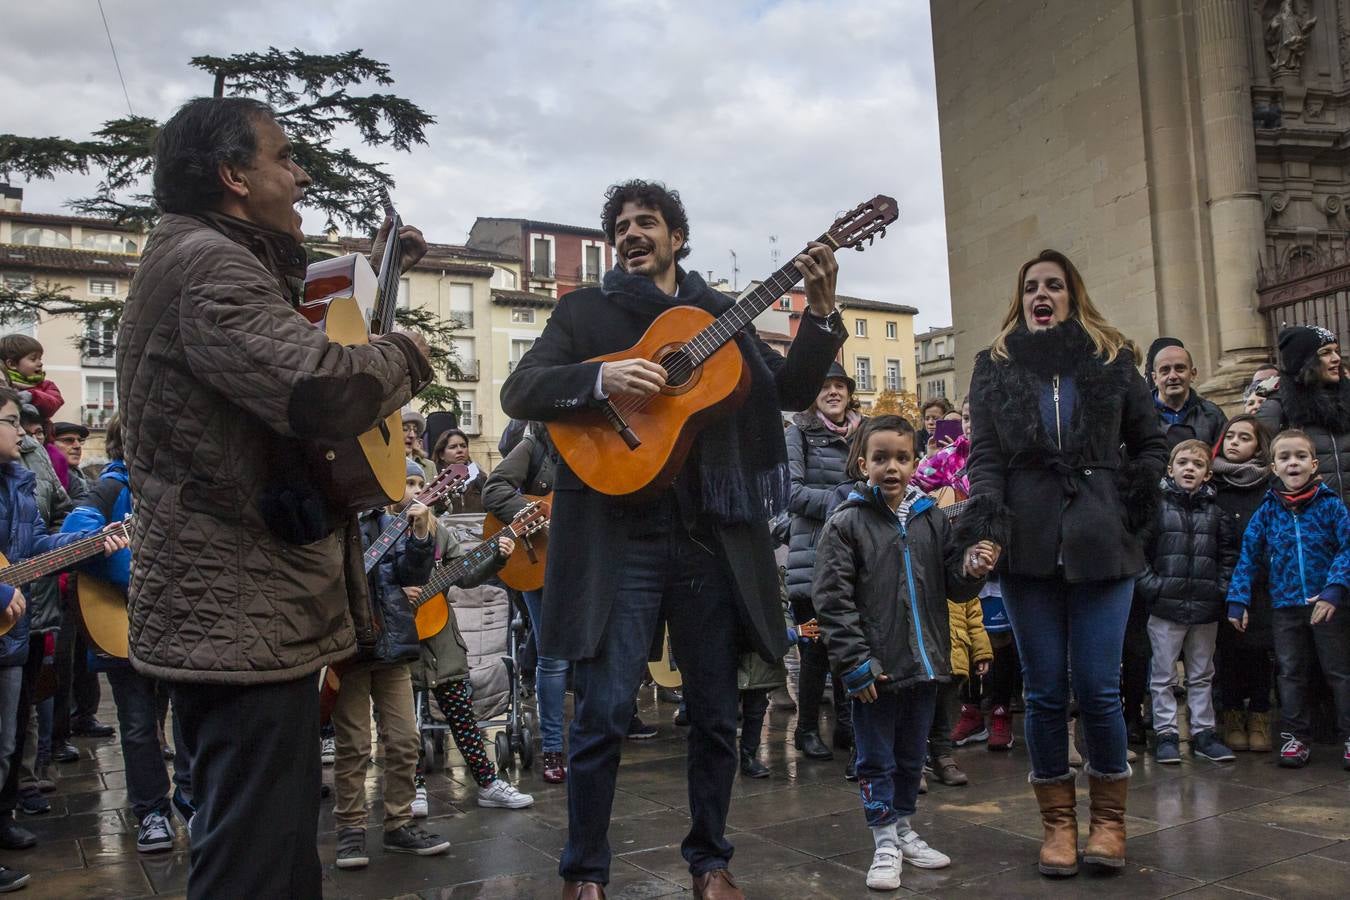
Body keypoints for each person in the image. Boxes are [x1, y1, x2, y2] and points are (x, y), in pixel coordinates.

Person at [116, 96, 433, 898]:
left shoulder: (208, 258)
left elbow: (289, 344)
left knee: (280, 844)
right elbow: (319, 387)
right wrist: (407, 355)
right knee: (253, 856)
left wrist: (366, 273)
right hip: (235, 607)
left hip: (242, 609)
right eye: (284, 158)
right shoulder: (207, 264)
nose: (298, 175)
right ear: (231, 175)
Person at [500, 179, 846, 900]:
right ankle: (585, 872)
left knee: (717, 713)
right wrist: (598, 376)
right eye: (620, 225)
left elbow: (786, 391)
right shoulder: (582, 312)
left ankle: (710, 861)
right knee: (600, 714)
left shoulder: (719, 313)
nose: (631, 233)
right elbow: (520, 390)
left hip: (708, 536)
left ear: (675, 237)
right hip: (613, 535)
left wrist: (821, 313)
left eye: (645, 222)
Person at [963, 249, 1168, 877]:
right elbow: (986, 459)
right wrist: (988, 525)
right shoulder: (994, 368)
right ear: (1020, 299)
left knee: (1101, 691)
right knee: (1045, 692)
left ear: (1073, 296)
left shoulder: (1114, 362)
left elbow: (1152, 442)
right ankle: (1057, 824)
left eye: (1053, 285)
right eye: (1031, 287)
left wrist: (1131, 501)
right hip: (1027, 548)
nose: (1040, 295)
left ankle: (1109, 821)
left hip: (1105, 546)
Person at [812, 415, 995, 891]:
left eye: (901, 457)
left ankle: (904, 828)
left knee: (913, 756)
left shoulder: (930, 516)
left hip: (926, 664)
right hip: (876, 668)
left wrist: (972, 567)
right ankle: (883, 839)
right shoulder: (847, 522)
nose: (891, 467)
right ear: (861, 462)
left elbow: (953, 585)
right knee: (876, 757)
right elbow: (833, 599)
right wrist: (856, 663)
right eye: (880, 458)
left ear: (916, 461)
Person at [0, 386, 126, 893]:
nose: (21, 431)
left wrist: (93, 542)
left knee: (6, 746)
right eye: (10, 421)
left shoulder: (19, 482)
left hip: (11, 639)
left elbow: (35, 548)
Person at [59, 415, 194, 852]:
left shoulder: (181, 490)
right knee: (138, 726)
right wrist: (134, 576)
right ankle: (151, 813)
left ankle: (192, 803)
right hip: (126, 628)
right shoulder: (110, 488)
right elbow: (73, 539)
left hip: (181, 626)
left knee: (190, 720)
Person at [334, 461, 453, 870]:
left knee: (404, 740)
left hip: (392, 642)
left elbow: (412, 572)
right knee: (353, 745)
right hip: (348, 649)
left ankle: (399, 823)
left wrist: (420, 533)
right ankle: (350, 828)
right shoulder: (331, 520)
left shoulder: (389, 522)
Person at [1228, 429, 1350, 770]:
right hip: (1285, 606)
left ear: (1313, 464)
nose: (1292, 462)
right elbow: (1248, 556)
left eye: (1299, 457)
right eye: (1284, 457)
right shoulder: (1267, 510)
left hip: (1327, 605)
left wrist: (1335, 589)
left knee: (1339, 672)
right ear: (1273, 467)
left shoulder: (1331, 506)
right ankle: (1295, 737)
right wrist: (1238, 599)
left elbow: (1347, 548)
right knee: (1291, 672)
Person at [1136, 440, 1238, 765]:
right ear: (1170, 469)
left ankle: (1204, 732)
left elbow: (1228, 556)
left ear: (1208, 474)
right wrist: (1154, 587)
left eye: (1197, 464)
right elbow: (1139, 553)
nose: (1189, 468)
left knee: (1202, 672)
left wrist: (1220, 589)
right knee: (1163, 674)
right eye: (1183, 462)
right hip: (1165, 606)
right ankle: (1166, 733)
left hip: (1206, 607)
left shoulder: (1216, 514)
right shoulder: (1156, 508)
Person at [481, 421, 571, 783]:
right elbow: (494, 488)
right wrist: (534, 516)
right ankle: (552, 747)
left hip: (585, 561)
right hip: (539, 564)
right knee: (552, 657)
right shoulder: (535, 444)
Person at [784, 361, 862, 764]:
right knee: (815, 648)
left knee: (851, 643)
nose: (833, 392)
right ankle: (806, 729)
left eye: (840, 386)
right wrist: (842, 501)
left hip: (856, 555)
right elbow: (792, 493)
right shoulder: (797, 432)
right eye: (825, 386)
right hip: (811, 557)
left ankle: (847, 726)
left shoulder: (863, 433)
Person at [1211, 415, 1275, 753]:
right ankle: (1232, 714)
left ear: (1258, 446)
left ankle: (1260, 714)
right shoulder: (1214, 485)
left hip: (1261, 583)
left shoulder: (1270, 487)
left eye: (1244, 437)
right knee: (1229, 652)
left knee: (1259, 651)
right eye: (1230, 436)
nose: (1234, 442)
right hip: (1223, 581)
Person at [1257, 326, 1350, 505]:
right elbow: (1264, 472)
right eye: (1326, 352)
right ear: (1302, 360)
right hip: (1310, 522)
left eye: (1336, 351)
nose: (1337, 359)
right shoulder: (1277, 408)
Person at [1147, 339, 1227, 449]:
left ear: (1193, 374)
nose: (1173, 376)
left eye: (1180, 369)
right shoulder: (1140, 414)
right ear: (1154, 378)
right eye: (1165, 370)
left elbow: (1223, 454)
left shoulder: (1212, 414)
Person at [0, 336, 63, 422]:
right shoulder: (4, 384)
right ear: (12, 364)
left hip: (37, 432)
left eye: (40, 359)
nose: (40, 363)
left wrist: (32, 395)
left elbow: (55, 403)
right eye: (33, 359)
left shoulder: (46, 385)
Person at [432, 426, 486, 514]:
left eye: (463, 446)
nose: (460, 450)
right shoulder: (434, 480)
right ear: (441, 454)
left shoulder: (480, 477)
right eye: (453, 447)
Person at [50, 422, 90, 503]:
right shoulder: (48, 479)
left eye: (79, 440)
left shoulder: (84, 478)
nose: (77, 446)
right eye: (68, 440)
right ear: (51, 445)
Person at [402, 408, 437, 484]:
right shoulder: (379, 464)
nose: (412, 435)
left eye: (415, 430)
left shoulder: (429, 466)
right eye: (405, 429)